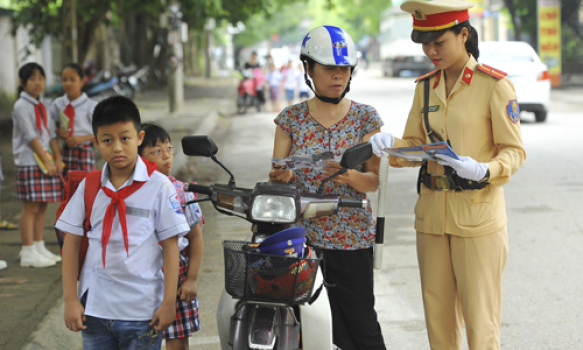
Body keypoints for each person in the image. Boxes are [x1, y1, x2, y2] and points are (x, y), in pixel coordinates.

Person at [369, 1, 526, 349]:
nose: (430, 51)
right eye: (425, 43)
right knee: (438, 321)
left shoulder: (494, 86)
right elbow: (414, 144)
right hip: (432, 217)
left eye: (439, 42)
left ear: (464, 34)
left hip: (477, 214)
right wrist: (389, 145)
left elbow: (514, 151)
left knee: (480, 321)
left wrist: (486, 169)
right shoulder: (425, 87)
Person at [268, 25, 386, 350]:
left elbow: (373, 181)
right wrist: (282, 177)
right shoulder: (289, 120)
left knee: (361, 324)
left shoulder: (366, 119)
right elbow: (277, 174)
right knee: (307, 325)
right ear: (308, 69)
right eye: (329, 68)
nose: (338, 76)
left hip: (353, 238)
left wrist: (348, 176)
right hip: (302, 239)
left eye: (344, 69)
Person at [56, 96, 189, 349]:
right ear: (96, 142)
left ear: (139, 138)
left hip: (142, 311)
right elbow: (71, 242)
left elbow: (171, 246)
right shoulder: (90, 186)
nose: (117, 147)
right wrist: (70, 300)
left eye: (124, 138)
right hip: (95, 310)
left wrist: (169, 303)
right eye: (107, 140)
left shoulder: (159, 186)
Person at [138, 123, 204, 350]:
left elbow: (195, 238)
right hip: (143, 278)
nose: (166, 155)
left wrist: (191, 279)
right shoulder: (133, 193)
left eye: (168, 148)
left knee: (177, 340)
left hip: (177, 275)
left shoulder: (181, 192)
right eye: (157, 150)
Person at [12, 62, 63, 268]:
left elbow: (50, 134)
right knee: (30, 207)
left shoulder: (44, 104)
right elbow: (31, 136)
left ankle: (39, 245)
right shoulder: (20, 106)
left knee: (42, 206)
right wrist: (47, 160)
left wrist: (58, 158)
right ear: (22, 82)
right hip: (29, 162)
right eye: (32, 79)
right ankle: (27, 250)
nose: (37, 83)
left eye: (40, 78)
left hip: (46, 161)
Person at [50, 63, 98, 173]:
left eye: (72, 80)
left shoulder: (91, 106)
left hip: (84, 152)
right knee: (65, 186)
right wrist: (58, 131)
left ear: (82, 82)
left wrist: (82, 138)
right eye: (64, 80)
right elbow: (52, 125)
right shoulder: (58, 104)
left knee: (84, 185)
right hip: (63, 152)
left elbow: (102, 132)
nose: (68, 83)